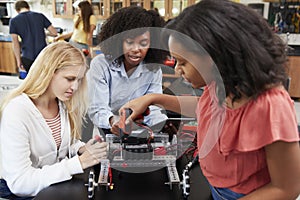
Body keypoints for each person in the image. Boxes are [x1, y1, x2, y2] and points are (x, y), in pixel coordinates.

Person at [120, 0, 300, 199]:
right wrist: (152, 98)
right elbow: (206, 107)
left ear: (217, 55)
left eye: (183, 62)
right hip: (215, 187)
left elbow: (286, 188)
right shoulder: (220, 83)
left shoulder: (270, 106)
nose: (177, 70)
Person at [0, 41, 107, 199]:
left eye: (79, 80)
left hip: (52, 186)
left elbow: (56, 147)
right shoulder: (17, 111)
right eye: (70, 79)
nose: (75, 87)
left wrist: (80, 149)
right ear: (48, 72)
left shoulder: (60, 103)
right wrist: (78, 163)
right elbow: (20, 183)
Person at [88, 6, 168, 136]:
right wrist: (113, 121)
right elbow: (97, 109)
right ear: (119, 42)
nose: (136, 49)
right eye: (130, 42)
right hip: (105, 134)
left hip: (140, 134)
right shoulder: (101, 65)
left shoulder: (153, 69)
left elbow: (153, 107)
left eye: (143, 43)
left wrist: (163, 125)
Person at [9, 0, 57, 75]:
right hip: (43, 55)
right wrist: (44, 33)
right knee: (44, 80)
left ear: (17, 10)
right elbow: (54, 33)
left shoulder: (14, 21)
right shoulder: (40, 16)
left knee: (31, 82)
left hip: (27, 57)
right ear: (28, 7)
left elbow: (15, 44)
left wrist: (18, 61)